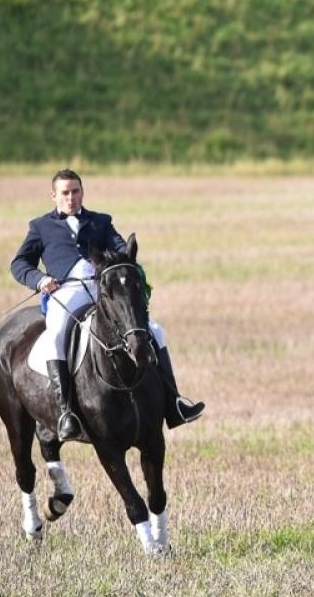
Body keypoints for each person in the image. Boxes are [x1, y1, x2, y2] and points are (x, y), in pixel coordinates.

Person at [11, 169, 204, 440]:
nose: (71, 198)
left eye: (75, 191)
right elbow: (19, 264)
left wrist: (121, 262)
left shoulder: (101, 221)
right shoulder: (40, 227)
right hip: (65, 292)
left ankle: (174, 403)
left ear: (82, 192)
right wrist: (40, 279)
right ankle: (66, 411)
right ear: (53, 195)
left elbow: (121, 248)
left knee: (155, 329)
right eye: (65, 193)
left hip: (102, 288)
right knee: (56, 337)